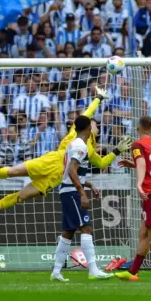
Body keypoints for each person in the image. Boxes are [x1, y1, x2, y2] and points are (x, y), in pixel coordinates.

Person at [0, 87, 132, 221]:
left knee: (21, 197)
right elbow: (88, 112)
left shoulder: (90, 149)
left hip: (57, 176)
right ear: (88, 127)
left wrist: (117, 150)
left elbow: (102, 163)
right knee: (13, 171)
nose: (96, 126)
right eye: (94, 124)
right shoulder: (76, 132)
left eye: (96, 125)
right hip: (50, 161)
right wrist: (99, 98)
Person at [51, 115, 113, 282]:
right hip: (72, 192)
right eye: (94, 126)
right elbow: (71, 171)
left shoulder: (76, 144)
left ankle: (56, 271)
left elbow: (72, 172)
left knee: (68, 232)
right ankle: (93, 270)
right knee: (86, 228)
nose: (96, 129)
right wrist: (82, 193)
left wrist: (89, 185)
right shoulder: (80, 145)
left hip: (67, 190)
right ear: (87, 128)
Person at [115, 116, 151, 282]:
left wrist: (139, 185)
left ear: (138, 128)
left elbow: (142, 165)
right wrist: (132, 164)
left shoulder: (138, 144)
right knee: (144, 233)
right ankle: (133, 272)